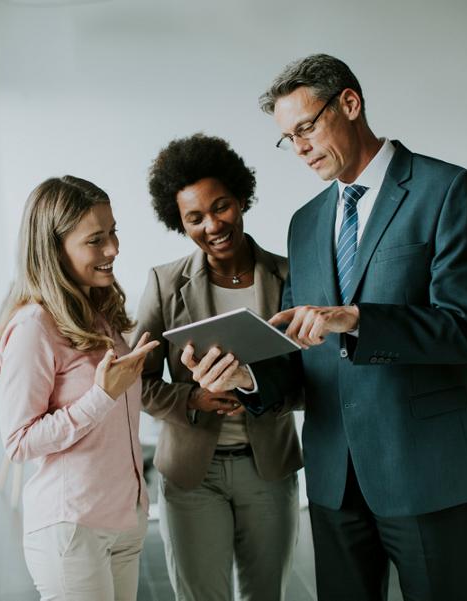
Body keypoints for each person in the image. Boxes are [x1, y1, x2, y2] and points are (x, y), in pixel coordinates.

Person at [183, 55, 467, 601]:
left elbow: (463, 330)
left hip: (426, 472)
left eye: (306, 128)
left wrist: (356, 319)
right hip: (334, 479)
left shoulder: (448, 190)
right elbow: (300, 354)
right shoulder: (305, 222)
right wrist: (244, 377)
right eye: (287, 138)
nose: (299, 148)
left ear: (349, 104)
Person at [132, 134, 302, 601]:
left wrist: (254, 386)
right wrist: (193, 398)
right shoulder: (165, 285)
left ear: (242, 197)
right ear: (179, 223)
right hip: (192, 477)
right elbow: (137, 384)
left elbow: (314, 380)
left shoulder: (290, 276)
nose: (213, 224)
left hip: (268, 469)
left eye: (221, 206)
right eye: (195, 218)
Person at [0, 175, 159, 601]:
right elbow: (18, 442)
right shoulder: (33, 326)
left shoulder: (98, 313)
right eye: (96, 240)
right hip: (73, 530)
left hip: (123, 520)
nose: (113, 250)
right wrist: (99, 398)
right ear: (54, 249)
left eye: (113, 233)